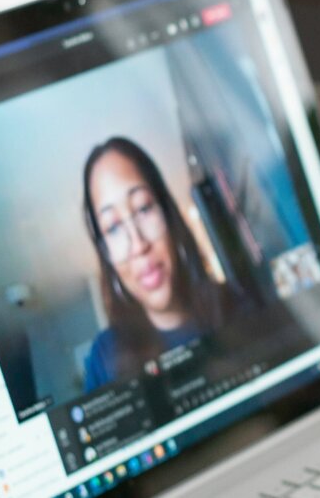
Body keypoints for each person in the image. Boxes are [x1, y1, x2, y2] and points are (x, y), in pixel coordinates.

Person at [78, 136, 240, 391]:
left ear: (168, 213)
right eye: (113, 227)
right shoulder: (104, 359)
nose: (138, 244)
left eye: (143, 208)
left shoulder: (237, 302)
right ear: (106, 254)